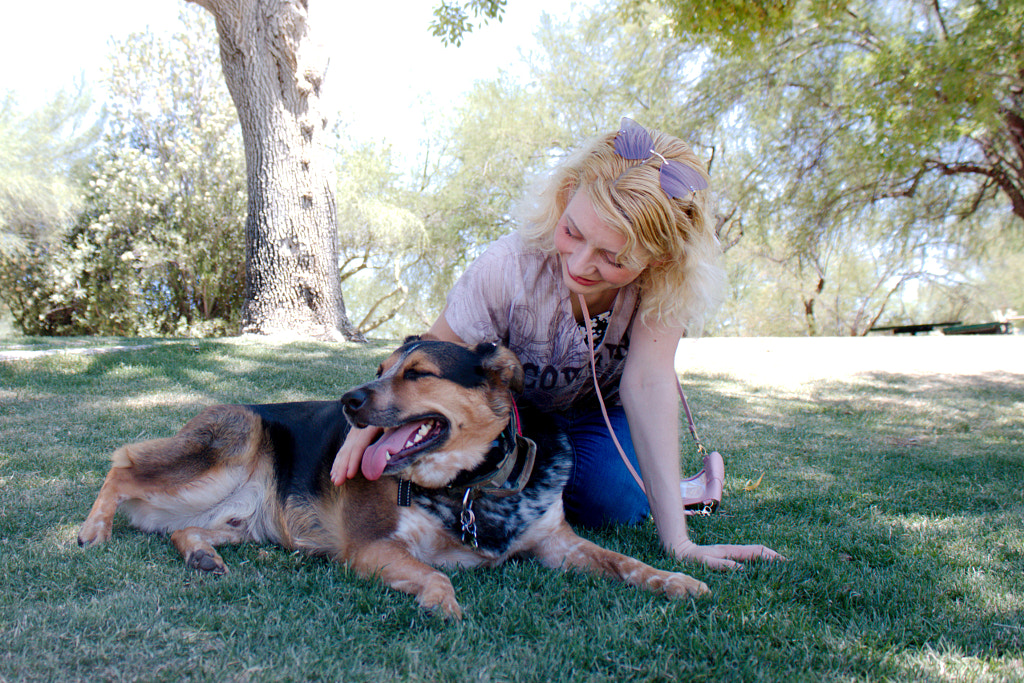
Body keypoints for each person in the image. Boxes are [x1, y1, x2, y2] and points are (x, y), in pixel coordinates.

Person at [331, 118, 780, 569]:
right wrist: (363, 433)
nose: (582, 264)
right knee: (506, 474)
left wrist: (680, 544)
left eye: (613, 257)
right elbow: (428, 357)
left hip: (595, 416)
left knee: (614, 504)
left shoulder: (664, 288)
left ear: (659, 258)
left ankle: (656, 485)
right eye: (574, 232)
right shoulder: (506, 267)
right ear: (567, 194)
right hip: (515, 418)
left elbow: (648, 385)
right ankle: (619, 478)